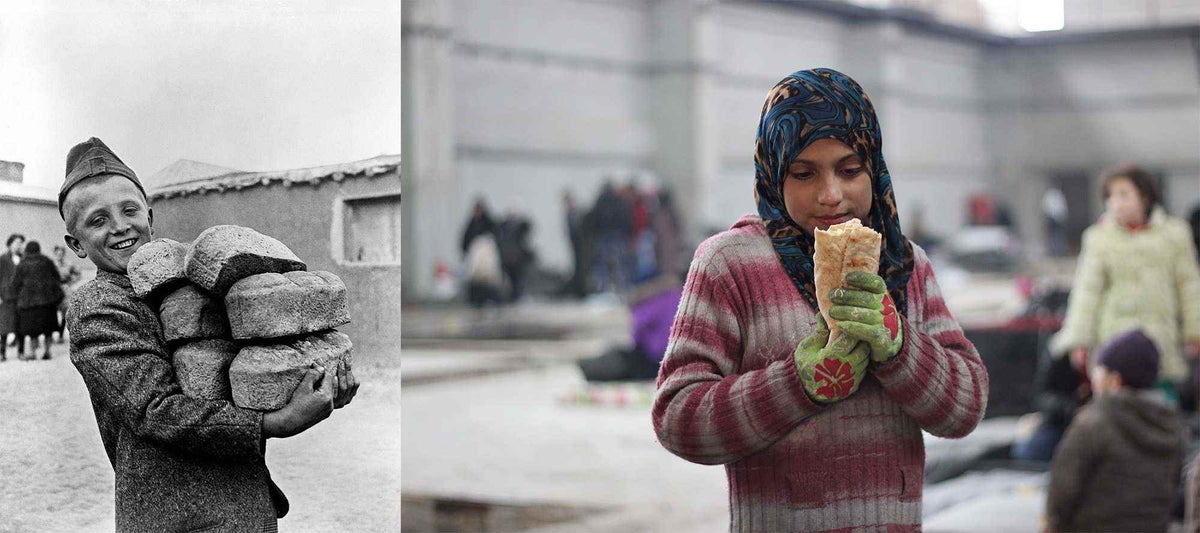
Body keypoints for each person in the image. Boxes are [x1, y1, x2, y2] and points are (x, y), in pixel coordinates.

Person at [651, 68, 988, 530]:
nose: (831, 196)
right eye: (804, 173)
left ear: (873, 167)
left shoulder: (904, 264)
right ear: (773, 174)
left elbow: (965, 410)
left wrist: (901, 347)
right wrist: (796, 385)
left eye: (850, 170)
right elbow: (677, 420)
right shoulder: (730, 265)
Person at [59, 137, 359, 531]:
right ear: (75, 244)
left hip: (244, 503)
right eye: (97, 220)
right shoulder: (97, 305)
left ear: (150, 217)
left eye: (129, 210)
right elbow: (156, 410)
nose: (119, 226)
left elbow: (241, 375)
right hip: (179, 518)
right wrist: (273, 423)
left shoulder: (189, 286)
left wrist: (315, 387)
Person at [1052, 165, 1200, 409]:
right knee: (1114, 414)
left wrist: (1194, 333)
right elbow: (1086, 293)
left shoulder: (1174, 235)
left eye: (1124, 194)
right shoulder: (1099, 238)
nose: (1116, 203)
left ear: (1144, 196)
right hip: (1113, 345)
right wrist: (1079, 339)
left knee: (1160, 411)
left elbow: (1190, 288)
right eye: (1110, 196)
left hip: (1161, 341)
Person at [1043, 329, 1183, 532]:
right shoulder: (1171, 427)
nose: (1093, 378)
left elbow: (1061, 495)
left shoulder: (1092, 424)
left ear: (1114, 380)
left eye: (1099, 370)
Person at [11, 240, 64, 360]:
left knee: (32, 329)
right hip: (47, 301)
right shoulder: (47, 262)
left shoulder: (22, 264)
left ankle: (33, 353)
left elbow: (15, 283)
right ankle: (47, 351)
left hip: (28, 303)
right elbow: (57, 278)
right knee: (47, 328)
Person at [0, 233, 25, 360]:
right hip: (6, 296)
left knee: (20, 325)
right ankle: (2, 353)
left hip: (21, 297)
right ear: (10, 244)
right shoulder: (3, 259)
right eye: (17, 243)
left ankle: (21, 352)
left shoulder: (24, 258)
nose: (19, 245)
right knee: (4, 326)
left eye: (21, 243)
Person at [51, 244, 82, 343]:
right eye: (57, 254)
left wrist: (72, 281)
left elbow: (78, 273)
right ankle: (51, 334)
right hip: (53, 290)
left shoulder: (69, 264)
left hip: (65, 289)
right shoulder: (51, 264)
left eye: (61, 254)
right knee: (52, 313)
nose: (59, 255)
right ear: (55, 254)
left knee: (65, 313)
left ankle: (60, 334)